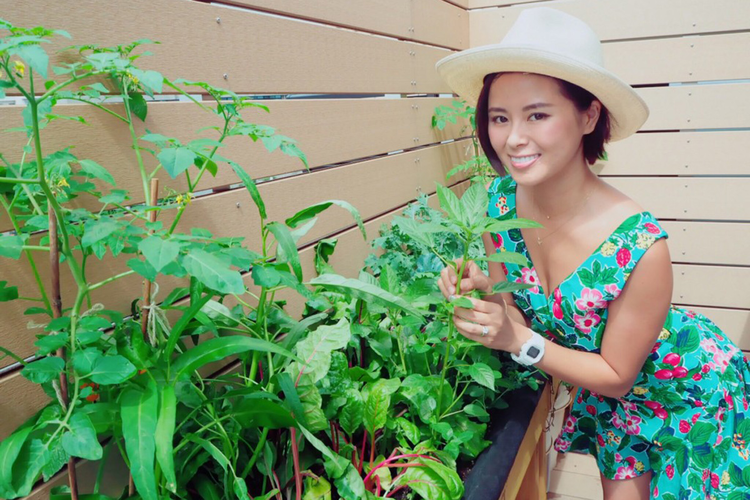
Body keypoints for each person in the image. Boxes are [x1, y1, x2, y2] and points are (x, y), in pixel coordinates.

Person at [435, 7, 750, 500]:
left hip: (690, 394)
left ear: (588, 115)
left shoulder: (639, 245)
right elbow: (513, 311)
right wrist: (481, 294)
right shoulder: (500, 203)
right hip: (612, 402)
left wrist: (518, 340)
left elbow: (617, 375)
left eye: (537, 114)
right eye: (500, 117)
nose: (513, 137)